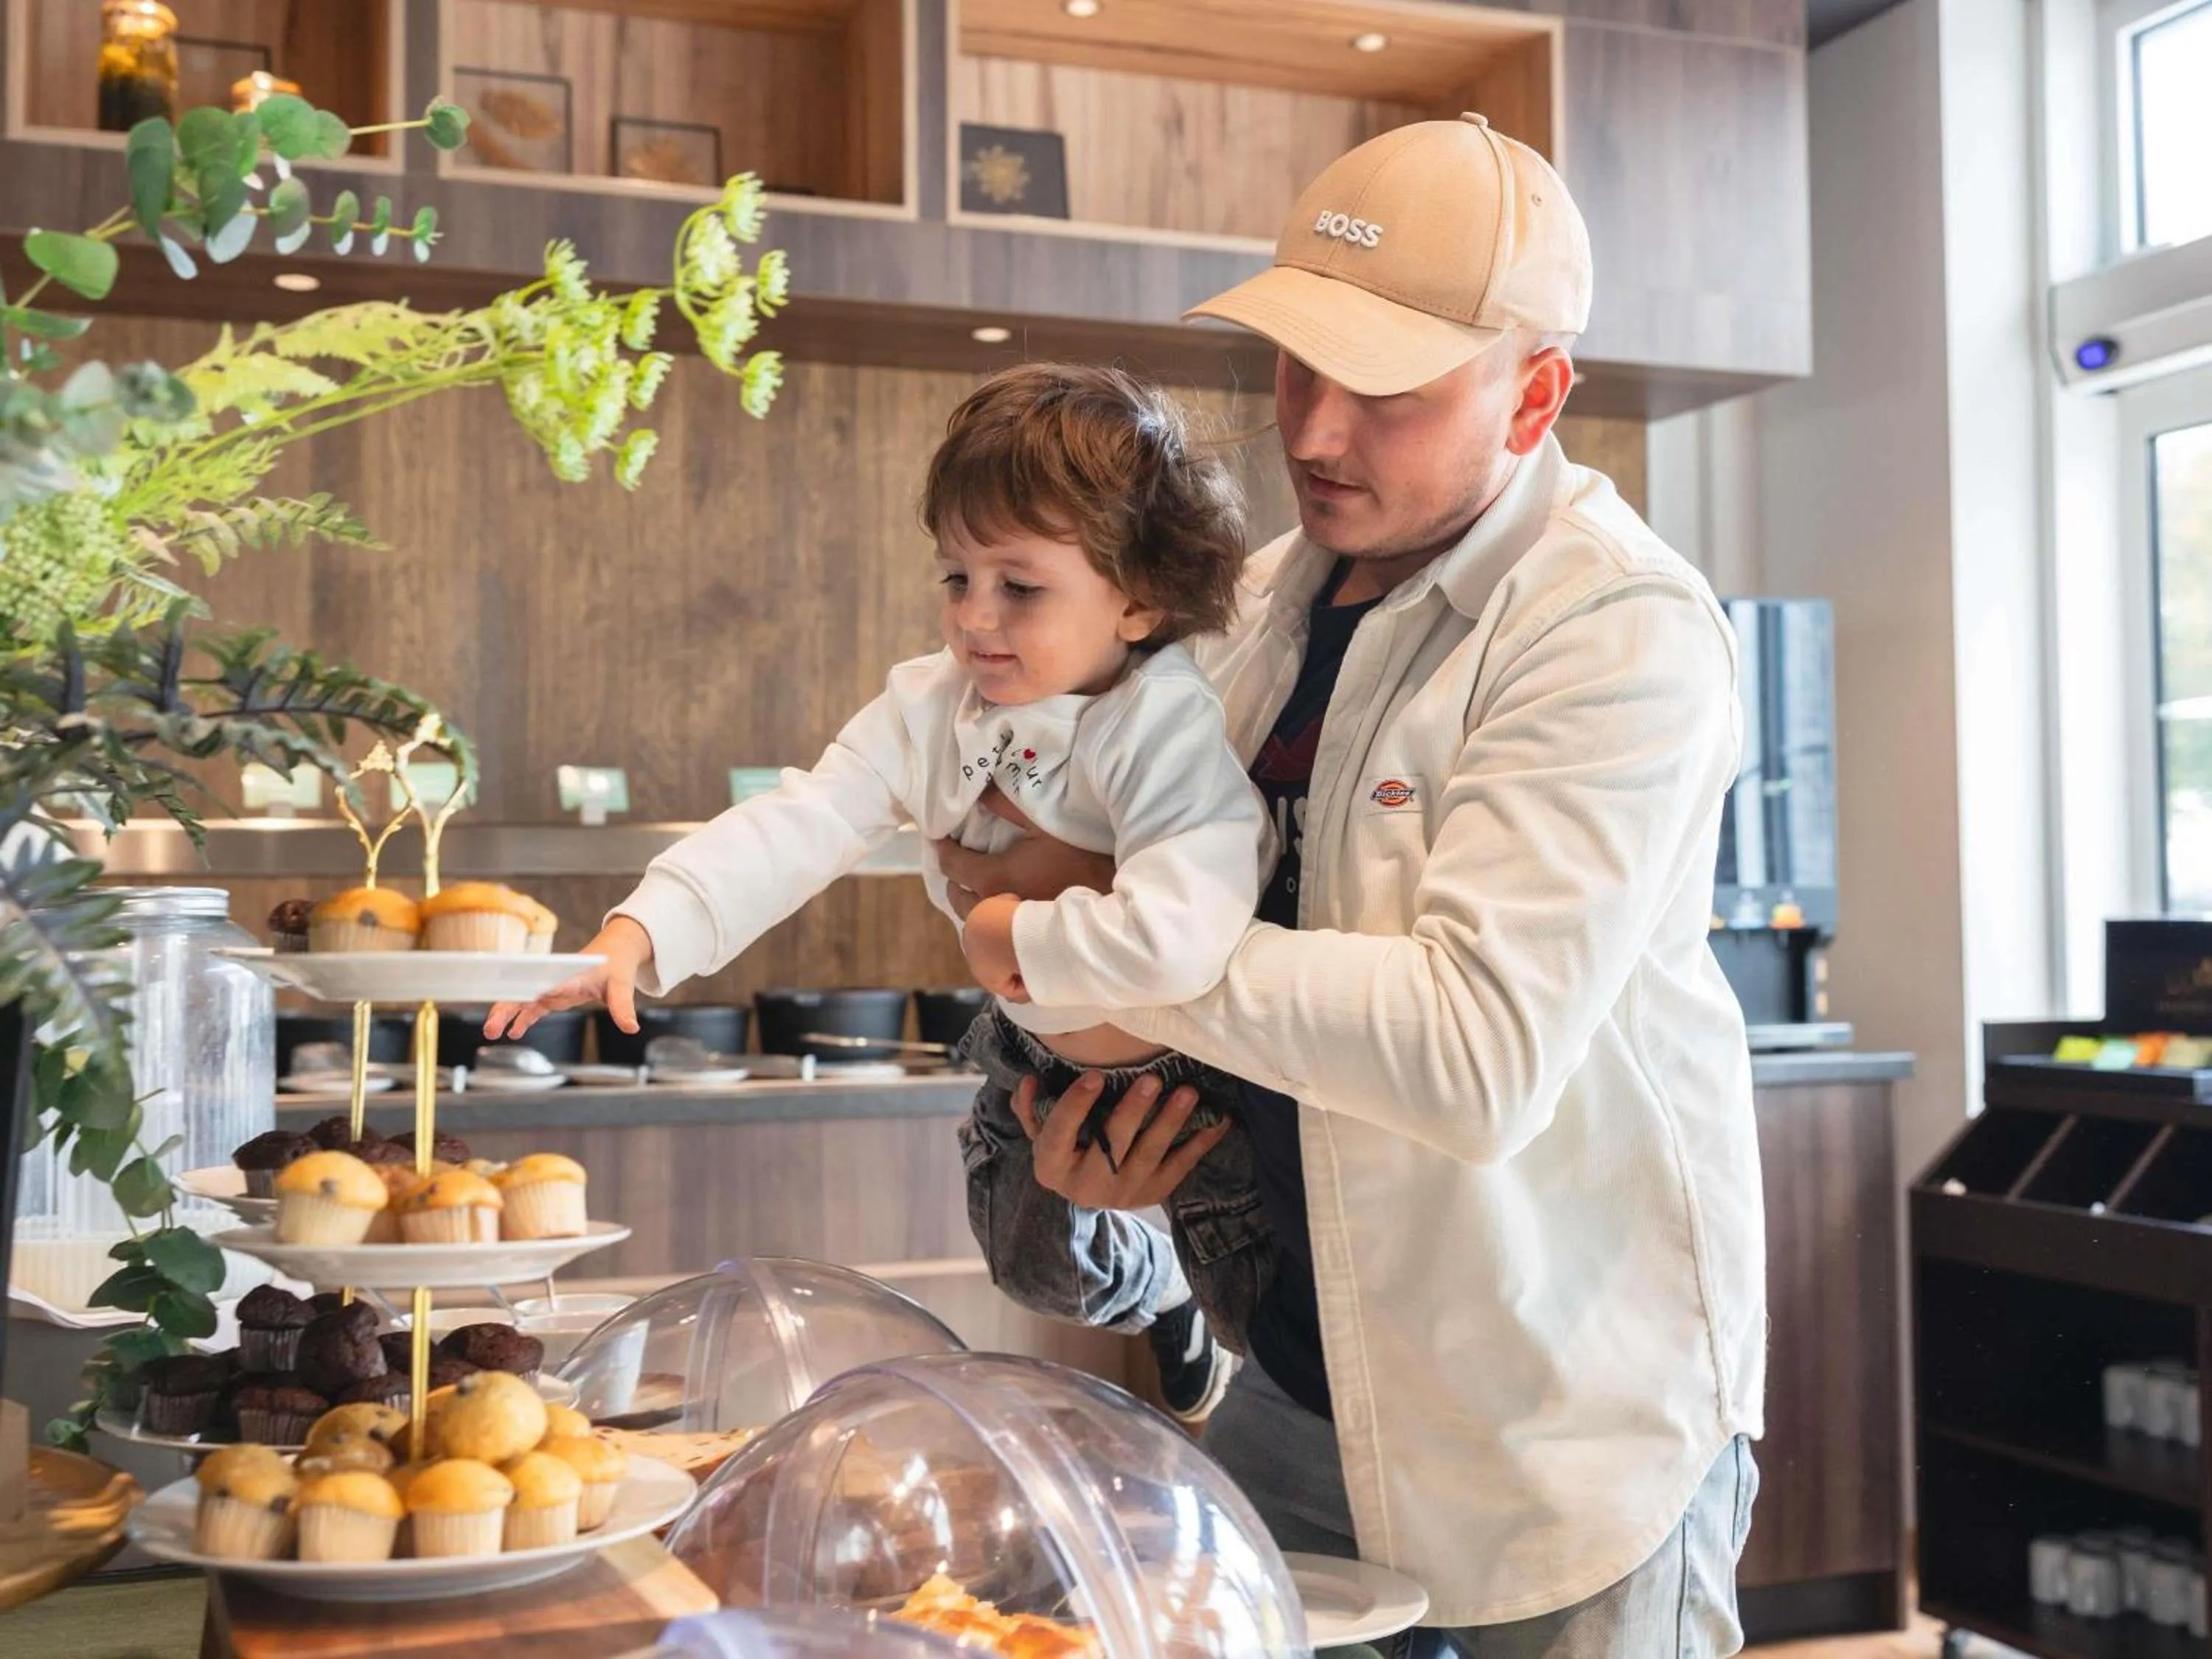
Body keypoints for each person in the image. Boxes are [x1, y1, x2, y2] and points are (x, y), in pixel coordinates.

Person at [939, 115, 1767, 1657]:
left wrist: (1089, 948)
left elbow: (1471, 1053)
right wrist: (1106, 1154)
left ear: (1537, 390)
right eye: (1297, 367)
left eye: (1383, 389)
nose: (1313, 433)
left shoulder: (1615, 632)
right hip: (1299, 1398)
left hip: (1553, 1438)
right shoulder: (1254, 605)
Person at [484, 363, 1271, 1421]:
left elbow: (1187, 926)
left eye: (1020, 585)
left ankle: (1220, 1361)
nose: (975, 618)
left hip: (1182, 1074)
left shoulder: (1162, 722)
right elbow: (808, 817)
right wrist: (642, 928)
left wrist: (1007, 930)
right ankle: (1158, 1293)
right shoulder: (928, 705)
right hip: (1032, 1053)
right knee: (1037, 1273)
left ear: (1140, 599)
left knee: (1268, 1329)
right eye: (956, 577)